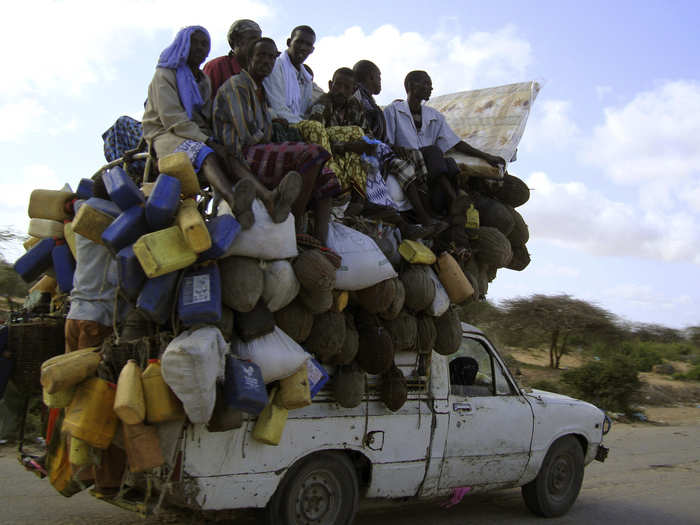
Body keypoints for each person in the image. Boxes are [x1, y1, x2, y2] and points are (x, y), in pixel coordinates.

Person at [213, 38, 339, 244]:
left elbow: (262, 132)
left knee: (326, 174)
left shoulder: (260, 91)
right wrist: (268, 130)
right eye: (261, 55)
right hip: (239, 156)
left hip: (256, 150)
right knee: (314, 153)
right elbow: (247, 136)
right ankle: (293, 228)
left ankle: (321, 242)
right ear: (249, 59)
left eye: (272, 56)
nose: (268, 61)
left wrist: (270, 128)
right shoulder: (237, 86)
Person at [142, 26, 257, 228]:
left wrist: (218, 140)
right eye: (196, 42)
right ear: (184, 44)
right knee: (207, 153)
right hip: (165, 133)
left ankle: (267, 196)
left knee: (229, 152)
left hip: (193, 131)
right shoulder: (165, 74)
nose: (201, 48)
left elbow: (204, 116)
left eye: (205, 44)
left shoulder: (202, 79)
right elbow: (173, 120)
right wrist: (208, 141)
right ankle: (234, 202)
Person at [384, 70, 505, 216]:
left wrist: (486, 156)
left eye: (430, 84)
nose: (430, 87)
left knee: (449, 163)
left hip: (428, 168)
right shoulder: (392, 111)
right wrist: (398, 149)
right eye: (426, 83)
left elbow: (455, 142)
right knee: (434, 151)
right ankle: (453, 200)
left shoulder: (435, 116)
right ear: (410, 85)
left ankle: (451, 210)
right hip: (406, 160)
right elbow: (386, 142)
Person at [353, 60, 445, 231]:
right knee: (407, 162)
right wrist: (389, 147)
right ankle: (424, 217)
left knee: (413, 158)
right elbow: (364, 129)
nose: (380, 81)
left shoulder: (369, 100)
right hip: (368, 147)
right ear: (370, 76)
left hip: (377, 146)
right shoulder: (359, 96)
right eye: (378, 77)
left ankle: (426, 215)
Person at [263, 26, 316, 124]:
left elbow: (304, 112)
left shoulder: (306, 79)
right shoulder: (275, 66)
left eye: (308, 45)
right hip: (277, 124)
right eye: (299, 42)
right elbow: (278, 108)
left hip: (298, 125)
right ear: (289, 42)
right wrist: (304, 125)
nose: (303, 47)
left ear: (312, 50)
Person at [203, 19, 262, 98]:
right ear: (237, 42)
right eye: (253, 39)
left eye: (259, 40)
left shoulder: (260, 71)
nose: (258, 45)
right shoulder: (216, 67)